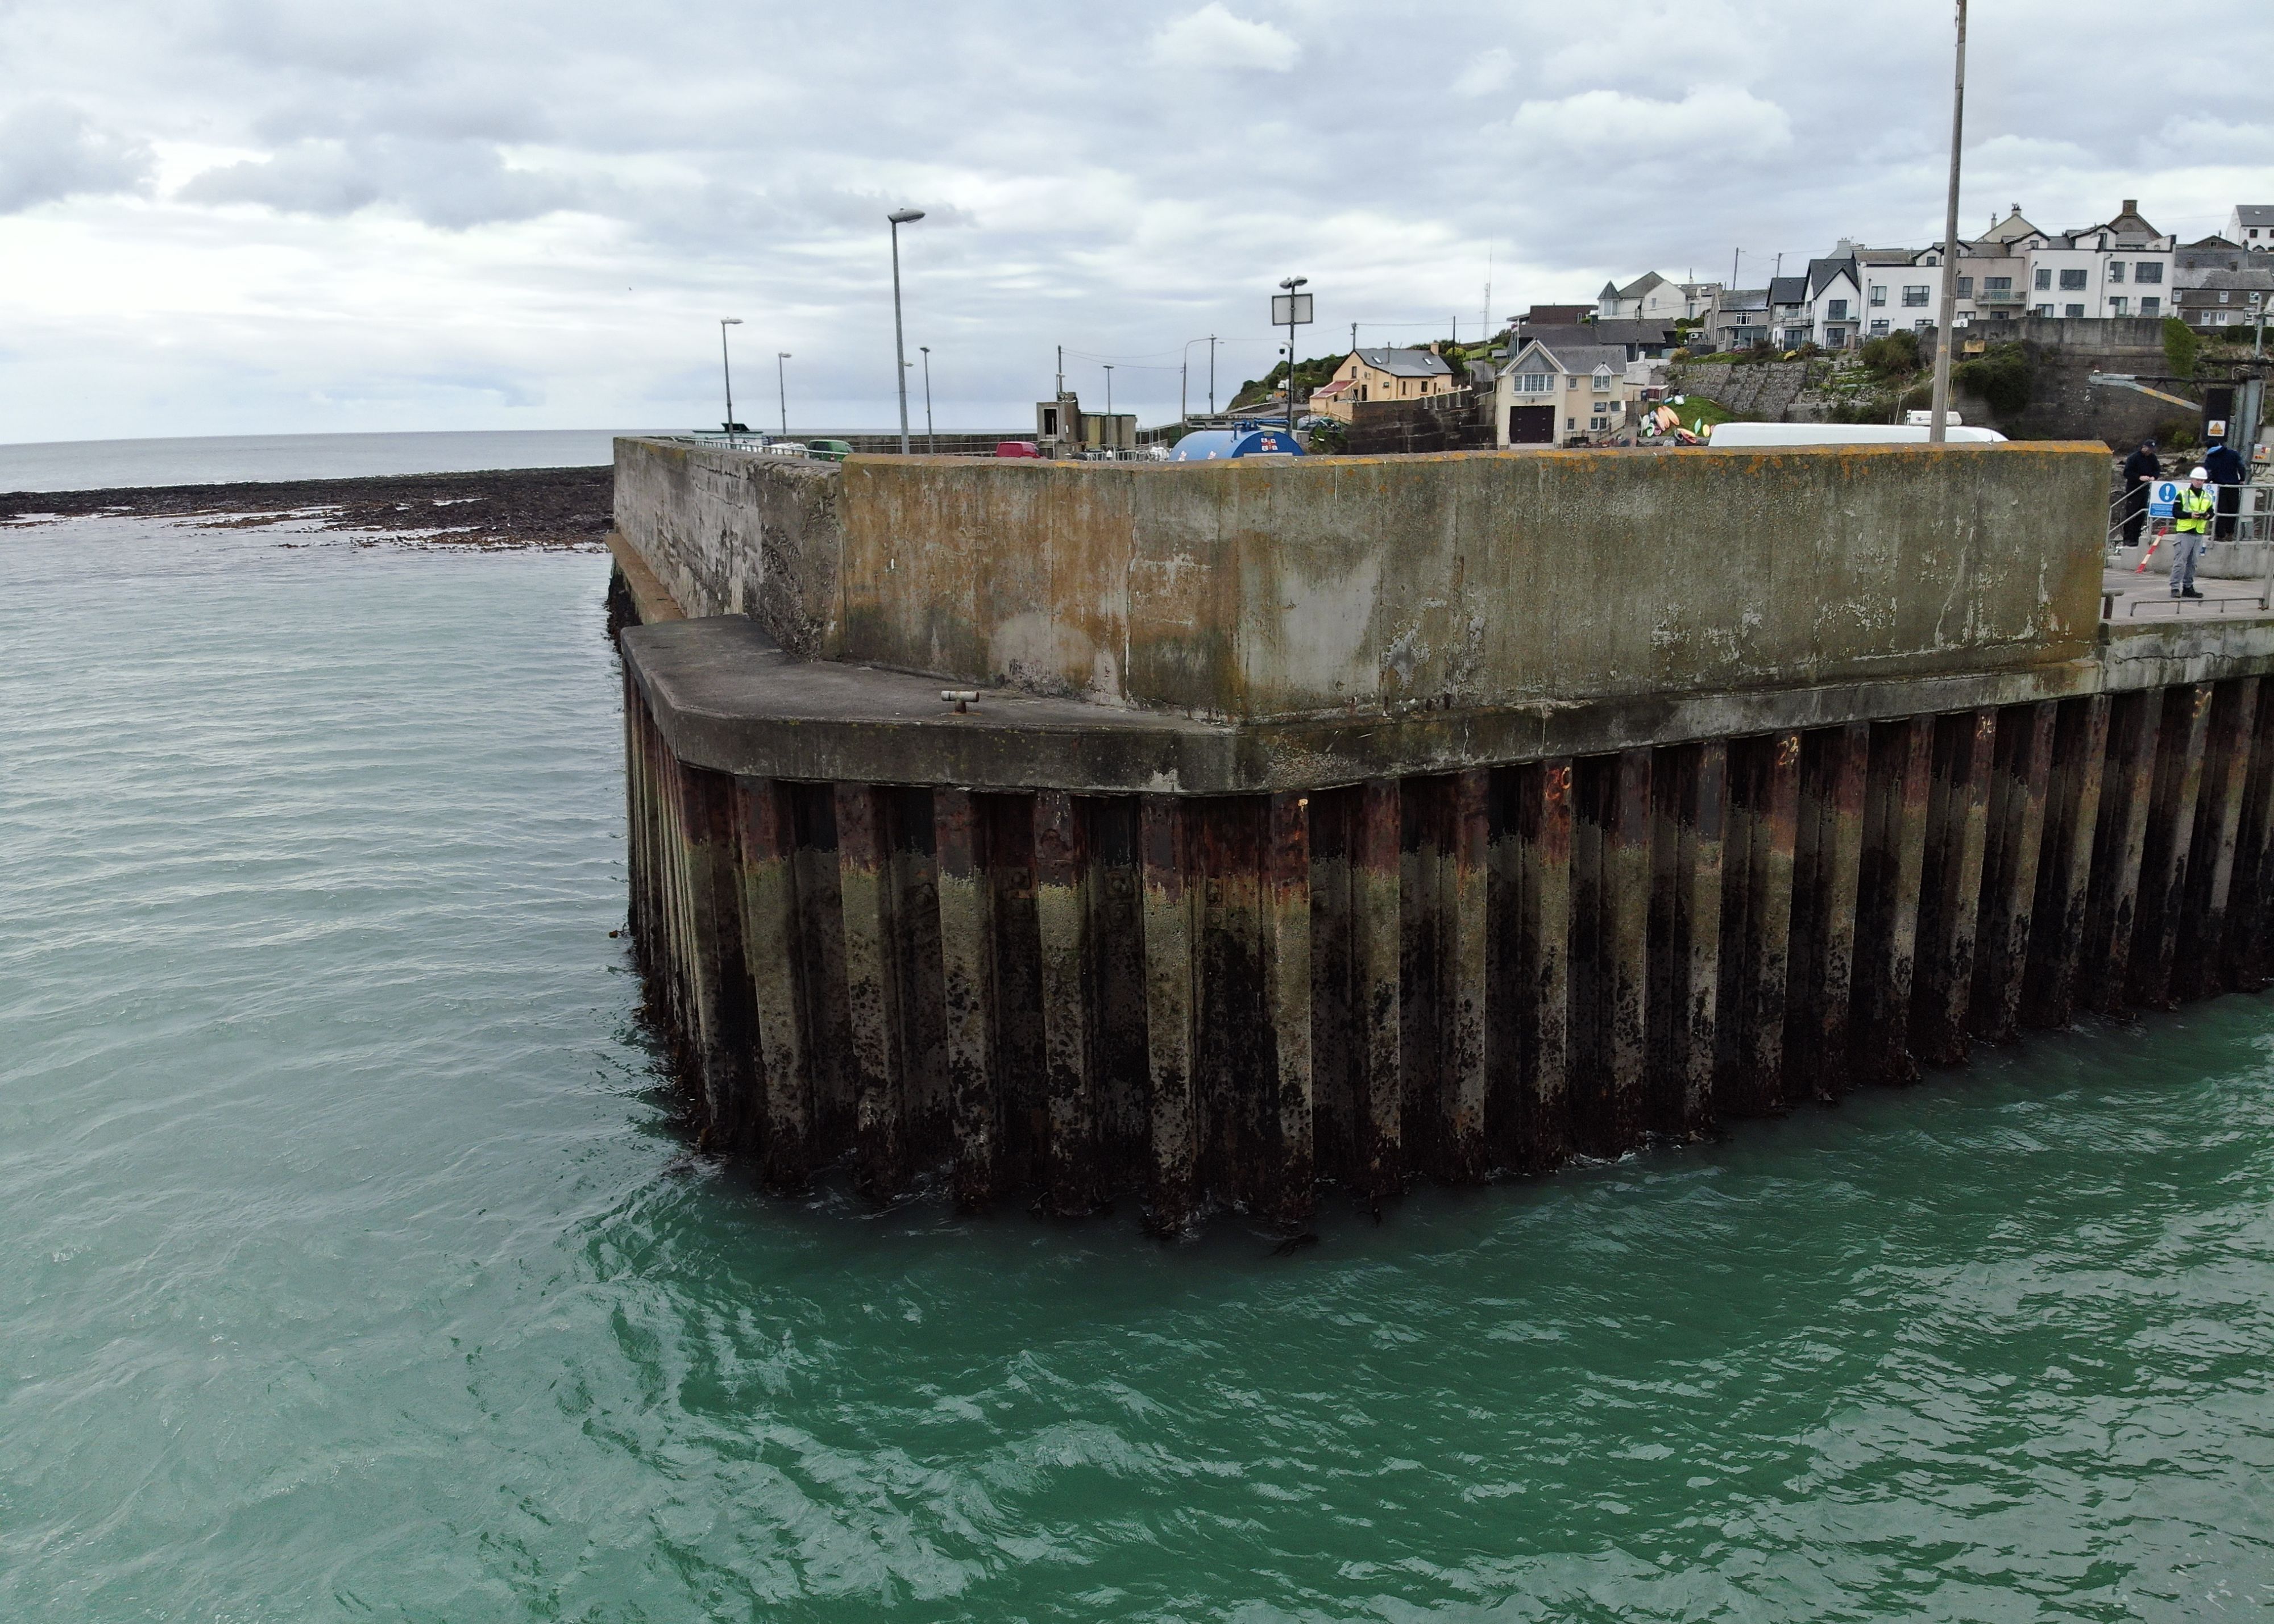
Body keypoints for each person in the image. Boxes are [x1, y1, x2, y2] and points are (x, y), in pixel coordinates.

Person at [2171, 466, 2214, 600]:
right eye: (2197, 480)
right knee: (2180, 561)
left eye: (2202, 480)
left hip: (2198, 533)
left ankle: (2188, 587)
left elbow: (2211, 512)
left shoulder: (2207, 497)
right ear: (2192, 480)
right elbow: (2176, 513)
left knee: (2193, 563)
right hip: (2184, 532)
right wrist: (2190, 515)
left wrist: (2207, 516)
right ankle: (2175, 588)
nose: (2199, 482)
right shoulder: (2183, 494)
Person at [2119, 438, 2160, 549]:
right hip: (2134, 489)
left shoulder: (2153, 458)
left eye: (2152, 449)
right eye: (2148, 449)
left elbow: (2157, 470)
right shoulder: (2134, 458)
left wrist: (2153, 477)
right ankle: (2128, 539)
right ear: (2144, 447)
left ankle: (2137, 536)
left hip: (2145, 490)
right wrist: (2139, 477)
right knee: (2132, 514)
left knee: (2141, 515)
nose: (2150, 451)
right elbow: (2127, 472)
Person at [2204, 439, 2247, 542]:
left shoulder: (2210, 458)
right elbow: (2241, 467)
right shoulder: (2233, 454)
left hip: (2219, 487)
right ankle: (2230, 533)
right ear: (2219, 444)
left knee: (2221, 511)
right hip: (2234, 486)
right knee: (2233, 510)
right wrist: (2242, 479)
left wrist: (2207, 482)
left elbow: (2209, 473)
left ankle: (2220, 535)